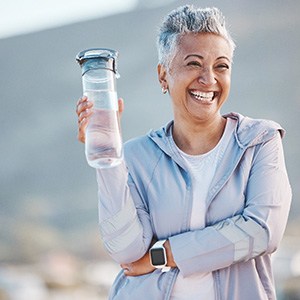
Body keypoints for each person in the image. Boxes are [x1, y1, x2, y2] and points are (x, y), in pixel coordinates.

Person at [76, 5, 292, 300]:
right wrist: (107, 157)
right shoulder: (137, 155)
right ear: (163, 75)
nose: (209, 78)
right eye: (193, 64)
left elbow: (261, 232)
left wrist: (163, 254)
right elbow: (125, 250)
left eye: (221, 66)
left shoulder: (259, 141)